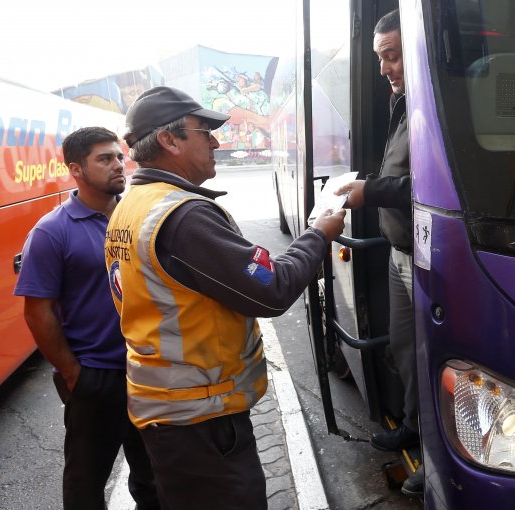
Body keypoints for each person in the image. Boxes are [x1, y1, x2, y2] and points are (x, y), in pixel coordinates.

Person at [104, 86, 346, 509]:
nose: (216, 142)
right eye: (205, 132)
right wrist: (318, 233)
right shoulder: (182, 216)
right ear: (170, 140)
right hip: (199, 420)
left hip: (169, 413)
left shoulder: (133, 204)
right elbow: (269, 290)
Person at [14, 127, 160, 510]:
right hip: (97, 378)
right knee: (85, 487)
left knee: (155, 481)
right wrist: (74, 373)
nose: (118, 165)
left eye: (118, 156)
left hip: (150, 373)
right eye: (105, 158)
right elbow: (37, 311)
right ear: (76, 169)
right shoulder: (51, 232)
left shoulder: (136, 216)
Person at [334, 9, 423, 496]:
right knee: (404, 351)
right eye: (381, 58)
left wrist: (369, 190)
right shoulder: (402, 102)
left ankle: (435, 460)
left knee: (432, 359)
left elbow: (432, 183)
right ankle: (412, 426)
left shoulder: (434, 106)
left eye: (392, 57)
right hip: (398, 251)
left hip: (428, 257)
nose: (385, 68)